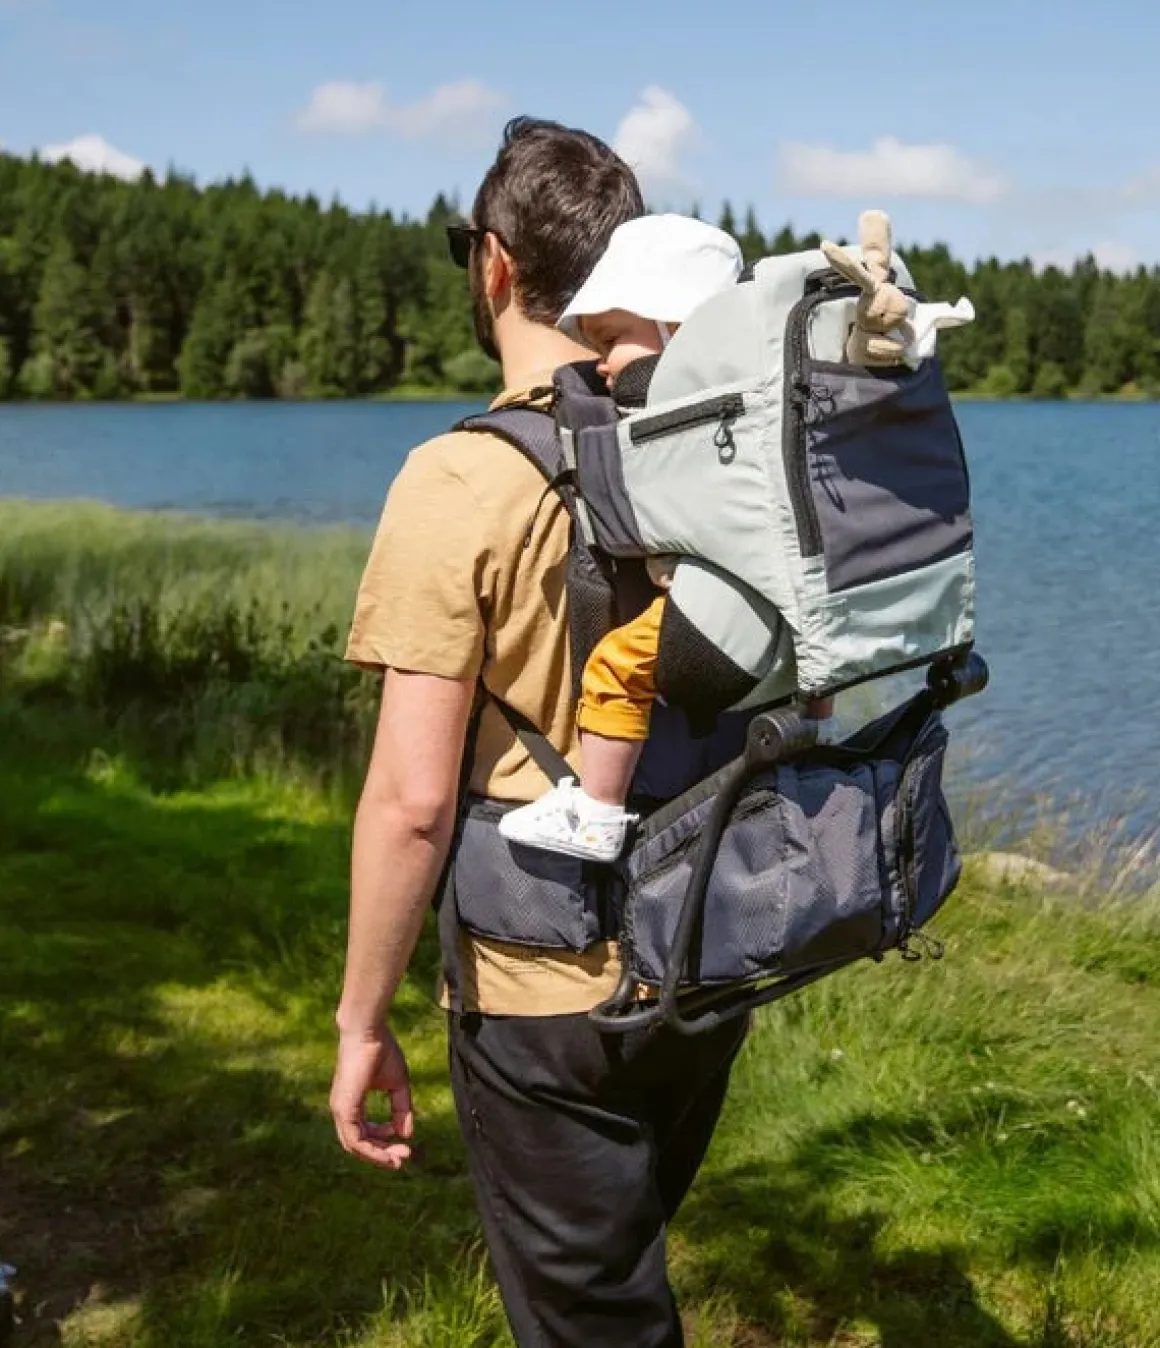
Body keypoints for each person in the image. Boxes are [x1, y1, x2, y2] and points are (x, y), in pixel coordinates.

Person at [330, 117, 750, 1348]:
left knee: (592, 1322)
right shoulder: (708, 451)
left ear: (494, 263)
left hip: (539, 993)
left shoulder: (458, 480)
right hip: (703, 954)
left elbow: (412, 802)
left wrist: (360, 1022)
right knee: (623, 1276)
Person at [498, 213, 744, 862]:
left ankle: (600, 811)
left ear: (680, 331)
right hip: (780, 608)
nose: (599, 362)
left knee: (611, 667)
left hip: (726, 604)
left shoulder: (686, 420)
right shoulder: (749, 404)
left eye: (611, 339)